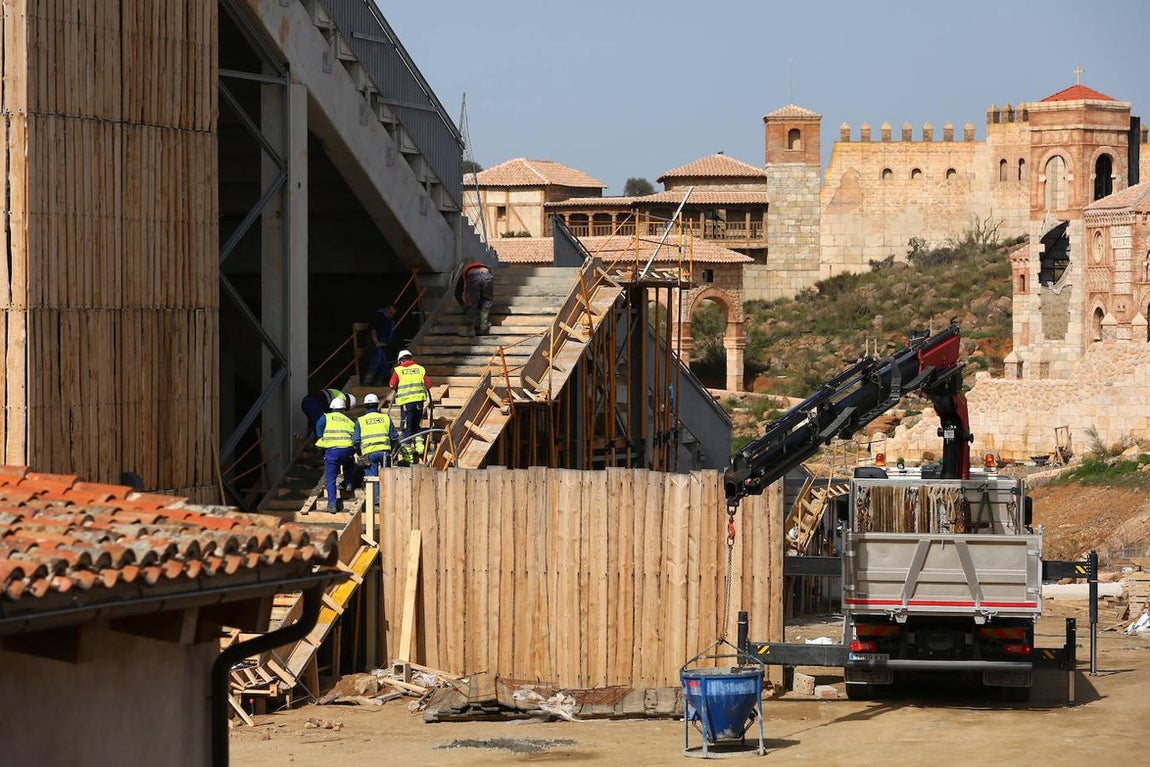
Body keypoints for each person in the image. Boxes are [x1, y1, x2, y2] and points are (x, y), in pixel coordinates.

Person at [314, 397, 356, 512]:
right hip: (348, 450)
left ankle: (332, 504)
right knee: (349, 464)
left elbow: (318, 426)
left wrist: (320, 437)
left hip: (333, 451)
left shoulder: (326, 417)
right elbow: (355, 435)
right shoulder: (349, 420)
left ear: (332, 408)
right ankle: (348, 483)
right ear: (343, 409)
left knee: (331, 478)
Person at [389, 349, 432, 463]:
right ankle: (420, 448)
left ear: (400, 361)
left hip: (406, 403)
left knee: (406, 427)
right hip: (419, 402)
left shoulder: (398, 370)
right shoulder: (420, 369)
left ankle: (408, 457)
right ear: (411, 358)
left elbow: (392, 385)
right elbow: (429, 384)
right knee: (416, 425)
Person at [354, 392, 398, 477]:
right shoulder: (386, 418)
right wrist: (392, 450)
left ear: (365, 405)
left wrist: (359, 452)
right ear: (377, 404)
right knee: (386, 479)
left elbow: (356, 440)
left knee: (372, 481)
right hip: (385, 452)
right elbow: (394, 437)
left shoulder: (361, 420)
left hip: (369, 454)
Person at [454, 261, 495, 336]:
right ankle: (484, 324)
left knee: (471, 303)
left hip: (474, 278)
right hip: (487, 277)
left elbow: (457, 293)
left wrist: (463, 306)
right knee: (487, 300)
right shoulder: (483, 266)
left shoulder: (464, 271)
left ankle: (470, 331)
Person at [363, 304, 397, 386]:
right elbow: (373, 328)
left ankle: (377, 382)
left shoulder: (389, 319)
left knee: (383, 362)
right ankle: (367, 382)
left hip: (383, 343)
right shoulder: (379, 316)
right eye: (390, 312)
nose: (391, 315)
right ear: (387, 309)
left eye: (393, 313)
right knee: (377, 361)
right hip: (376, 343)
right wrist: (375, 341)